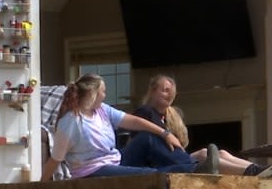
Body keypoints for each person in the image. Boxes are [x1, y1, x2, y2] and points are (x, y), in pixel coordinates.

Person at [40, 74, 218, 181]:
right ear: (93, 94)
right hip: (94, 171)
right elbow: (55, 159)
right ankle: (195, 170)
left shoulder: (102, 110)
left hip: (114, 160)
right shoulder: (70, 123)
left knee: (148, 138)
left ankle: (193, 165)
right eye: (103, 91)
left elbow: (134, 122)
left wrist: (165, 133)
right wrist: (41, 184)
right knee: (148, 174)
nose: (105, 95)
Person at [134, 74, 272, 178]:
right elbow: (154, 144)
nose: (169, 95)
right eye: (164, 90)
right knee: (205, 155)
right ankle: (254, 172)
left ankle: (263, 170)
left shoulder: (169, 116)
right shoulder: (145, 112)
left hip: (175, 160)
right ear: (153, 91)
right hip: (161, 164)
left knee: (221, 152)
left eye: (172, 92)